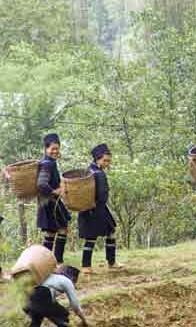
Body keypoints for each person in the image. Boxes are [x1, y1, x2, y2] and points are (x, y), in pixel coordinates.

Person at [78, 144, 121, 274]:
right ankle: (88, 266)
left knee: (108, 232)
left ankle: (109, 262)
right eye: (105, 160)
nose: (107, 163)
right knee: (93, 237)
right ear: (97, 159)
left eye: (108, 161)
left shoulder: (88, 170)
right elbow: (102, 195)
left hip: (89, 209)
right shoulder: (98, 174)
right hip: (96, 210)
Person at [37, 133, 71, 265]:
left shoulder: (50, 162)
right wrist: (54, 191)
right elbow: (41, 184)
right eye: (52, 148)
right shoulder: (47, 164)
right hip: (50, 202)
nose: (55, 151)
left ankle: (45, 263)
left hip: (47, 202)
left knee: (51, 232)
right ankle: (57, 261)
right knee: (62, 229)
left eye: (57, 148)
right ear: (46, 149)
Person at [24, 266, 89, 327]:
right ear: (73, 278)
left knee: (37, 319)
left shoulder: (51, 276)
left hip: (27, 298)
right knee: (63, 314)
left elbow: (50, 301)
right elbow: (75, 304)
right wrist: (84, 320)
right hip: (41, 295)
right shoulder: (67, 281)